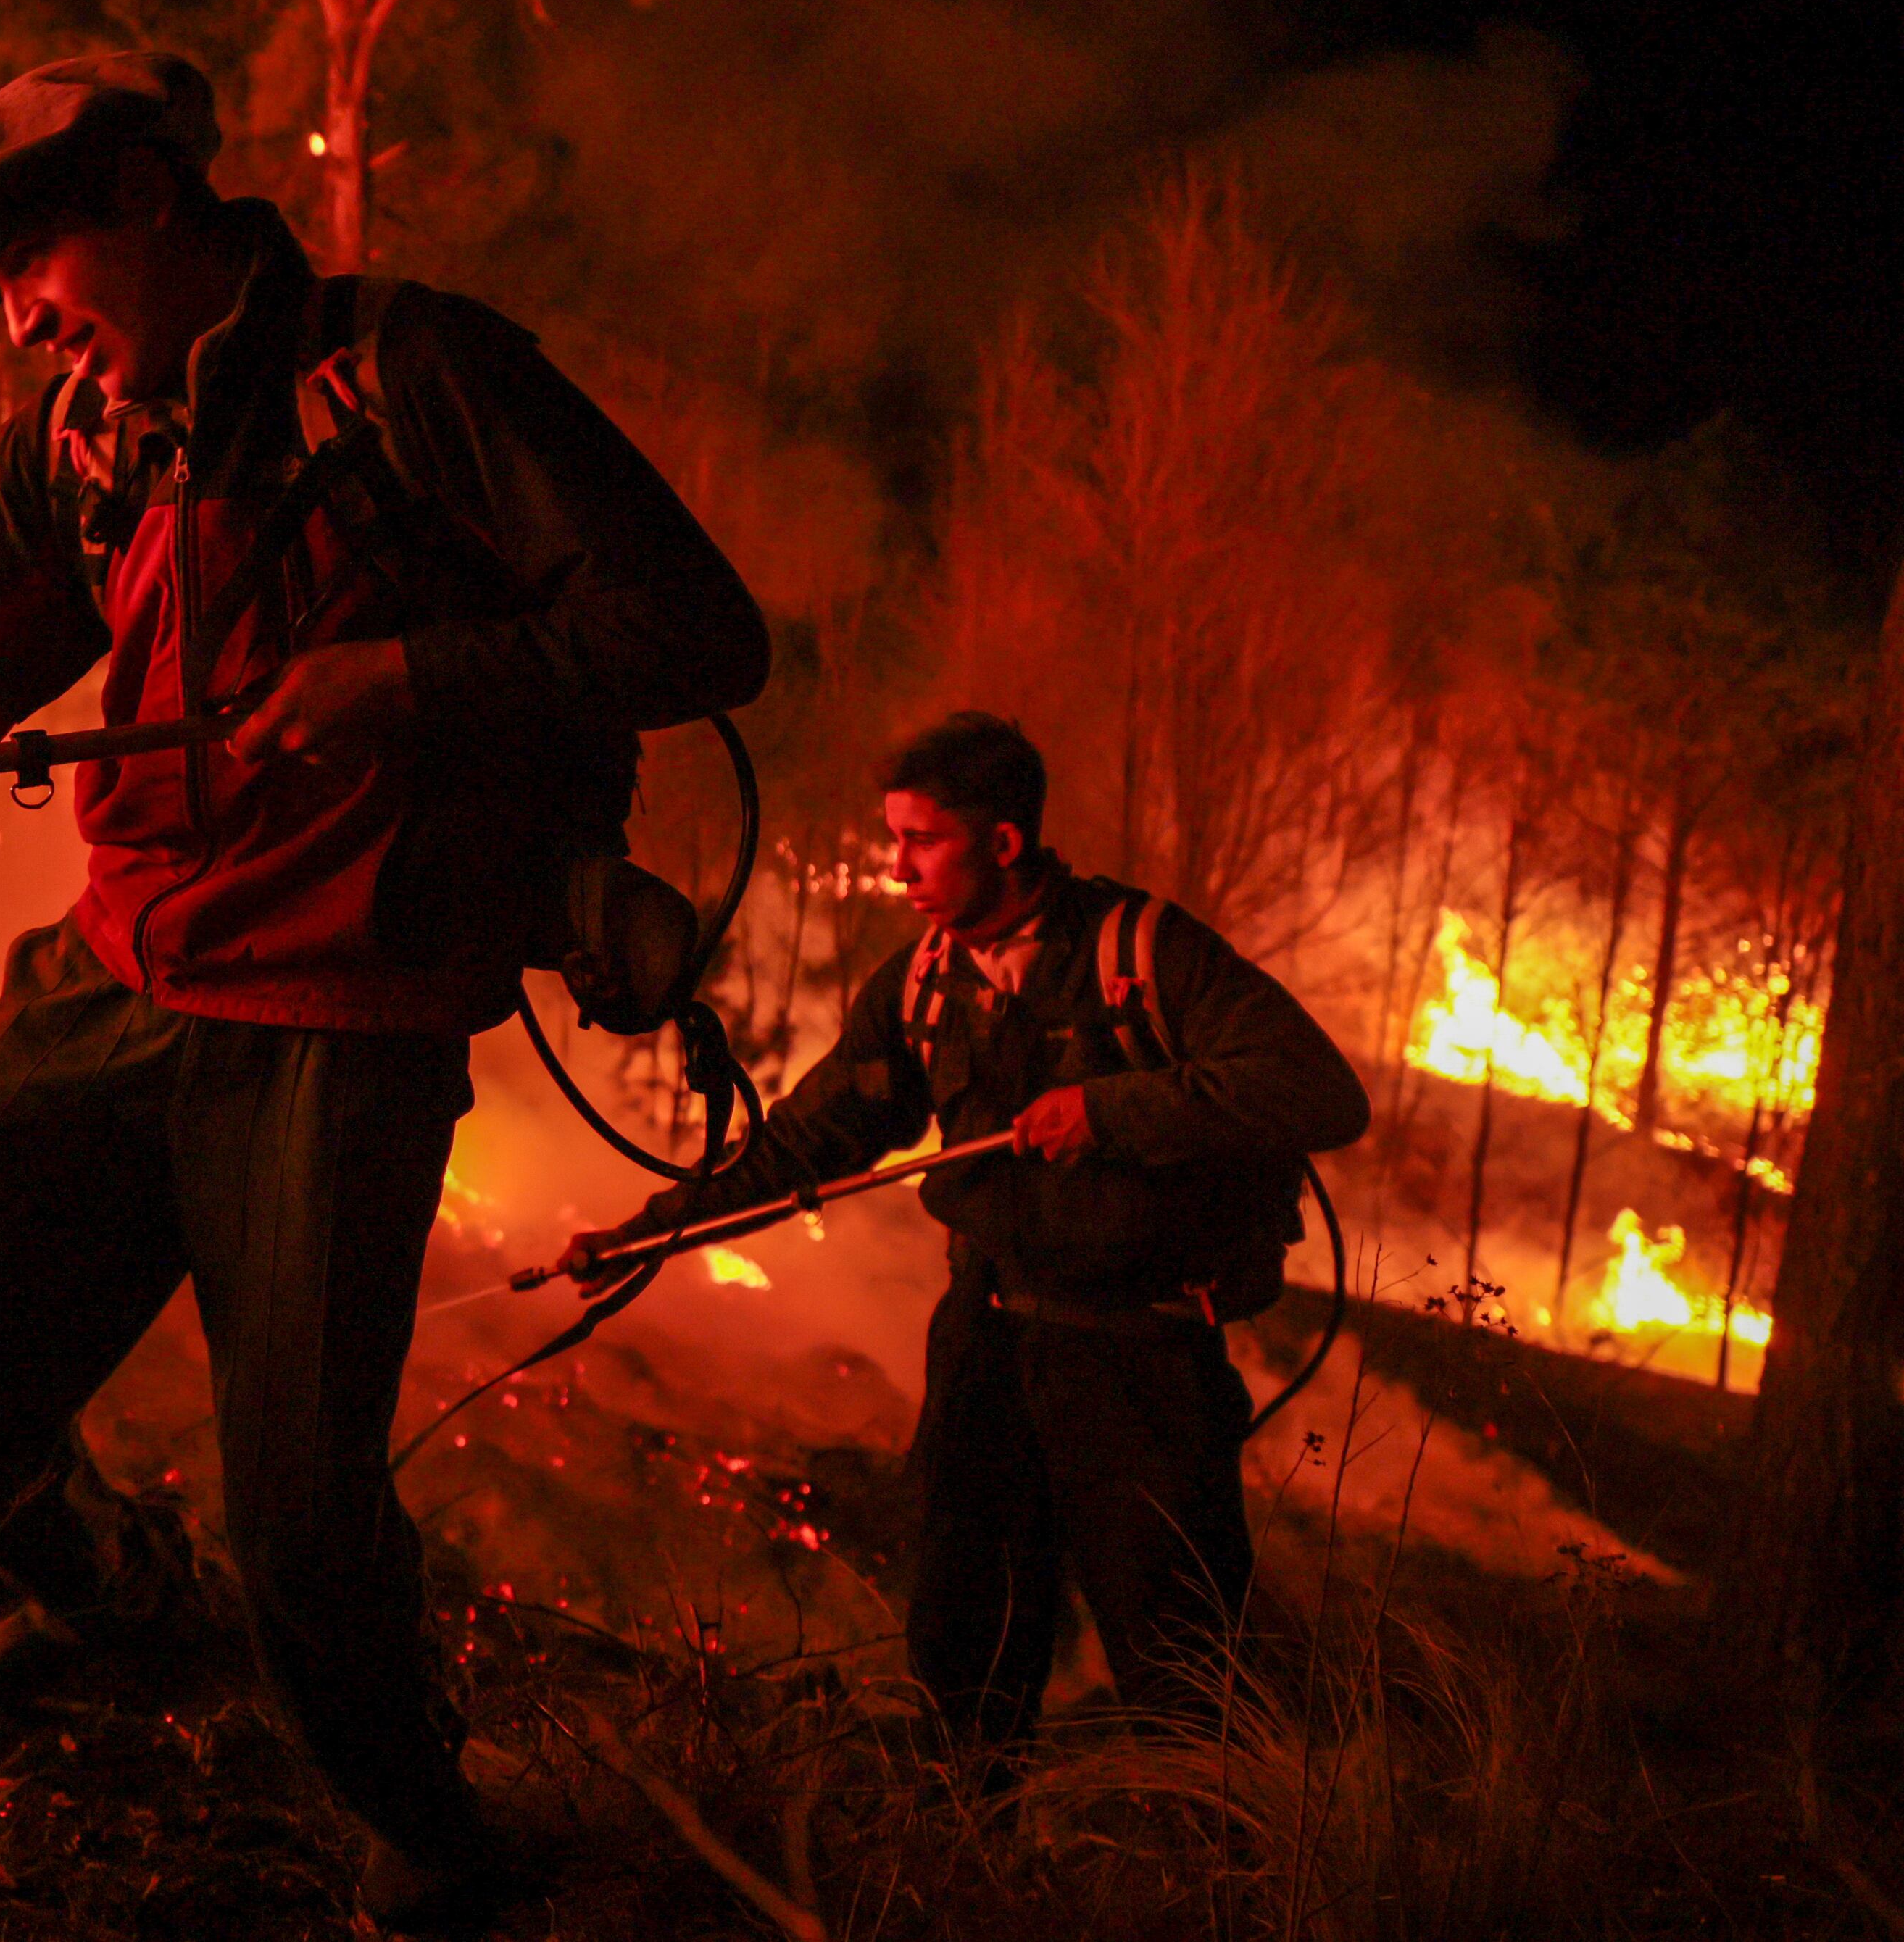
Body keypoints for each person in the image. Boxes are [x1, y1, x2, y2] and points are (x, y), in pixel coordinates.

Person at [0, 51, 769, 1930]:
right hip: (117, 975)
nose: (21, 323)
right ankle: (125, 1600)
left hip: (338, 1025)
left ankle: (434, 1838)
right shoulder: (84, 451)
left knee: (301, 1503)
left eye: (33, 260)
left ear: (156, 200)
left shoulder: (408, 375)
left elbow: (694, 627)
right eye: (0, 290)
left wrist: (406, 677)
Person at [564, 711, 1365, 1756]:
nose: (897, 868)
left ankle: (1214, 1871)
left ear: (1003, 841)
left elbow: (1319, 1092)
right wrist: (644, 1231)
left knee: (1182, 1657)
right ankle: (958, 1858)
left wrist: (1110, 1112)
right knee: (961, 1648)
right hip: (984, 1345)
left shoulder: (1144, 953)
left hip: (1141, 1362)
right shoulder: (918, 985)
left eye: (921, 840)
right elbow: (806, 1143)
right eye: (892, 838)